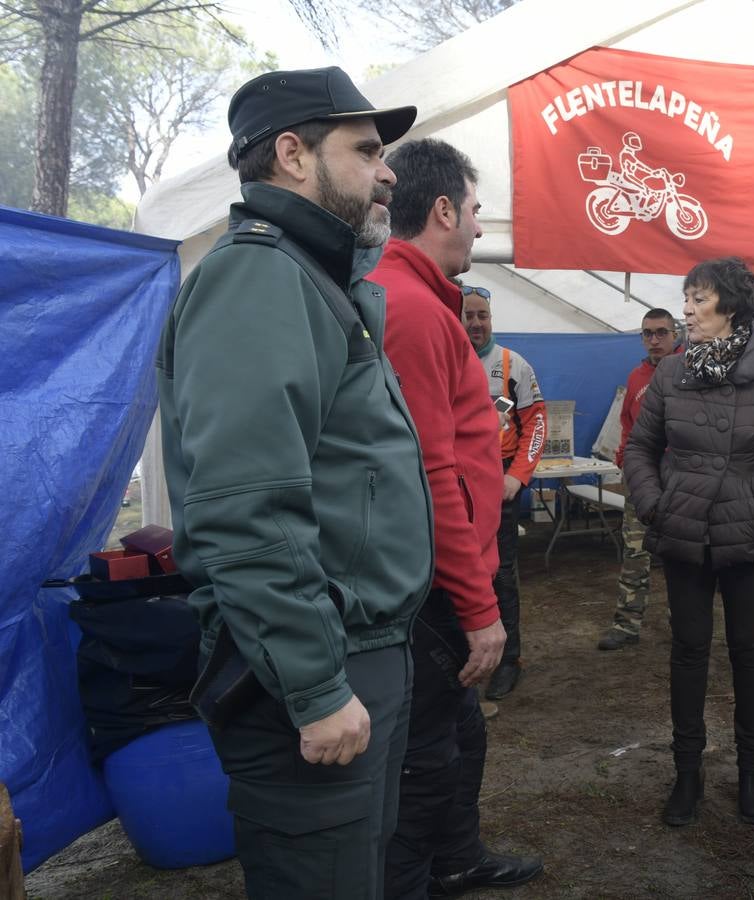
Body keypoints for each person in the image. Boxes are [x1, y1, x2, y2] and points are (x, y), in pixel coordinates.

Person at [156, 67, 431, 899]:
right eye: (368, 150)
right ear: (291, 155)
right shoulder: (260, 277)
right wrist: (314, 688)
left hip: (358, 653)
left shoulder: (314, 281)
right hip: (313, 670)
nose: (389, 172)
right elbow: (246, 514)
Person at [373, 138, 542, 899]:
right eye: (474, 212)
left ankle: (458, 854)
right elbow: (429, 472)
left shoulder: (424, 303)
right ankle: (417, 877)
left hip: (442, 574)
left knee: (457, 733)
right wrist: (477, 605)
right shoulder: (408, 308)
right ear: (442, 209)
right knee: (424, 753)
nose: (479, 229)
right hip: (432, 588)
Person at [624, 257, 754, 827]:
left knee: (749, 650)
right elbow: (639, 449)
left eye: (698, 299)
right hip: (685, 534)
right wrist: (655, 504)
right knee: (688, 654)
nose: (685, 308)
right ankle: (686, 772)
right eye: (686, 297)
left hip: (749, 538)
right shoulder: (670, 374)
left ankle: (751, 770)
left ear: (731, 306)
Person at [464, 289, 547, 700]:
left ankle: (509, 661)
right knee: (455, 573)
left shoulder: (513, 364)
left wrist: (518, 476)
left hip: (499, 484)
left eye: (482, 315)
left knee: (500, 576)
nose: (475, 323)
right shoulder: (442, 354)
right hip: (453, 482)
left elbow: (536, 424)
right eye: (468, 315)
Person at [596, 308, 682, 651]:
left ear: (675, 334)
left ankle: (685, 625)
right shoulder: (636, 378)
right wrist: (626, 464)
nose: (654, 339)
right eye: (648, 333)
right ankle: (627, 624)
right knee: (634, 553)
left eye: (661, 332)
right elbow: (628, 428)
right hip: (642, 481)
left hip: (680, 482)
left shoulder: (692, 371)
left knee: (681, 557)